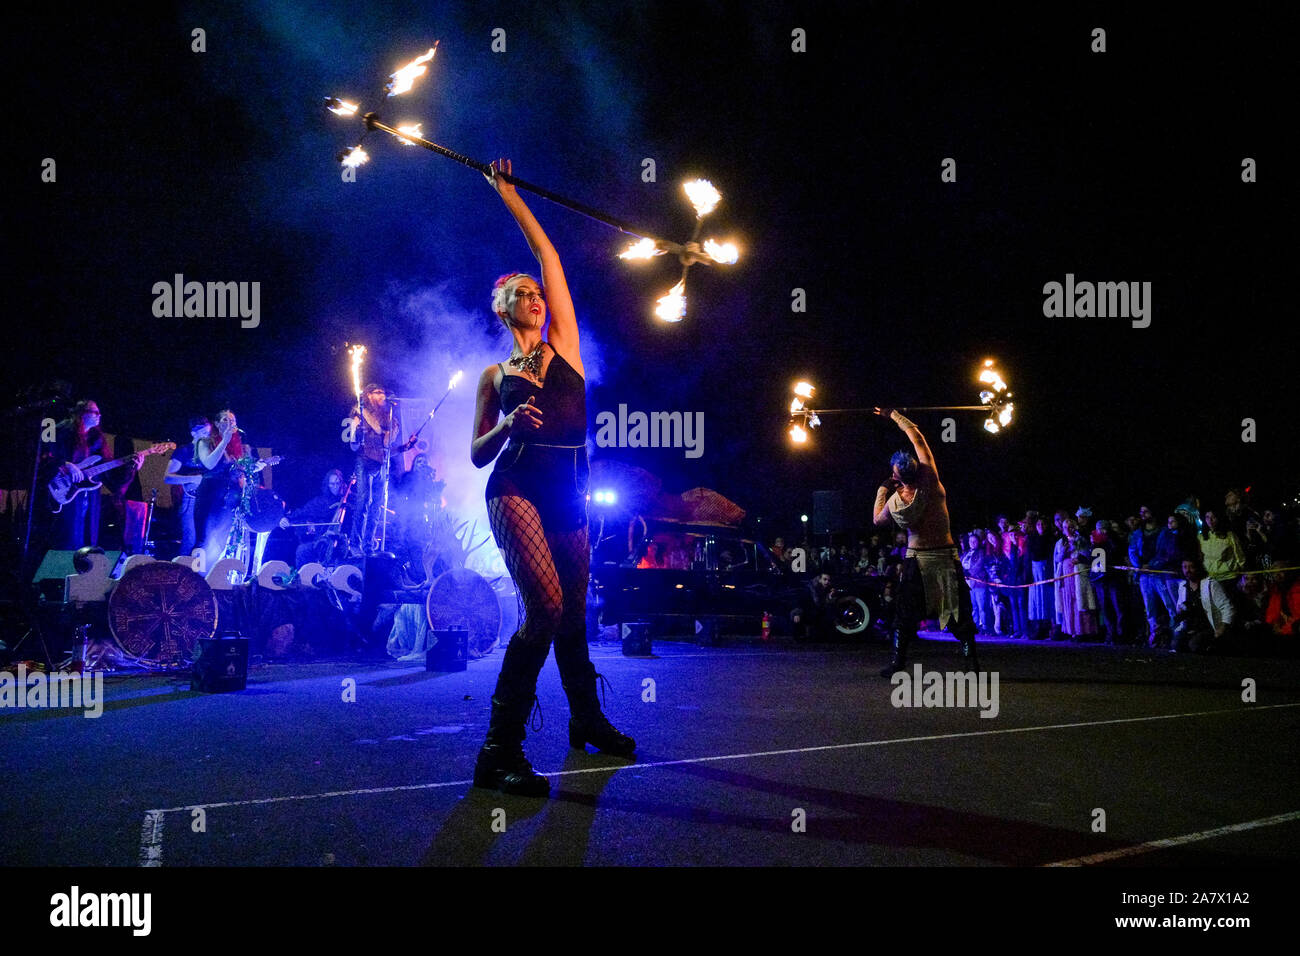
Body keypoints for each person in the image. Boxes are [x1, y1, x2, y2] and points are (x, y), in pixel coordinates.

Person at [470, 158, 633, 797]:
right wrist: (508, 424)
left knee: (572, 614)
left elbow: (549, 254)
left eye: (537, 291)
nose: (535, 295)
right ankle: (498, 749)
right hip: (513, 485)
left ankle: (586, 720)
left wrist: (508, 194)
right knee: (545, 605)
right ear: (502, 308)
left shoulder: (565, 345)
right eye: (521, 291)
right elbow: (478, 454)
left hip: (569, 486)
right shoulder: (494, 374)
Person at [871, 408, 977, 676]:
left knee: (905, 615)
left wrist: (883, 488)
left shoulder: (898, 500)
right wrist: (893, 414)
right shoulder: (931, 480)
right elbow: (916, 437)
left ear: (897, 477)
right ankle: (971, 663)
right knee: (958, 613)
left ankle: (898, 663)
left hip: (917, 559)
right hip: (945, 557)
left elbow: (877, 521)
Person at [41, 399, 145, 550]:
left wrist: (133, 468)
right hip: (60, 493)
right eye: (95, 412)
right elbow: (44, 455)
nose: (99, 415)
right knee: (65, 538)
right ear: (82, 414)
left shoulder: (97, 440)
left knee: (86, 539)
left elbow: (111, 477)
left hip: (87, 497)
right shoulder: (60, 430)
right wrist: (65, 464)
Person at [348, 384, 416, 555]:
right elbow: (354, 446)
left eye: (383, 393)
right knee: (364, 501)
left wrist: (404, 447)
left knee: (376, 506)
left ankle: (368, 545)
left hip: (381, 464)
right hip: (364, 461)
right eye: (378, 392)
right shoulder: (359, 413)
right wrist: (356, 435)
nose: (382, 395)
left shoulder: (390, 419)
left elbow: (386, 446)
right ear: (368, 395)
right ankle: (355, 543)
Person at [165, 416, 212, 558]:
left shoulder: (212, 453)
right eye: (203, 433)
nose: (207, 437)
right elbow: (167, 477)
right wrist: (193, 479)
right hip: (189, 499)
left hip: (207, 501)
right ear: (193, 433)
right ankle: (182, 572)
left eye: (208, 433)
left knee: (206, 540)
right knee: (190, 539)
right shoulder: (184, 451)